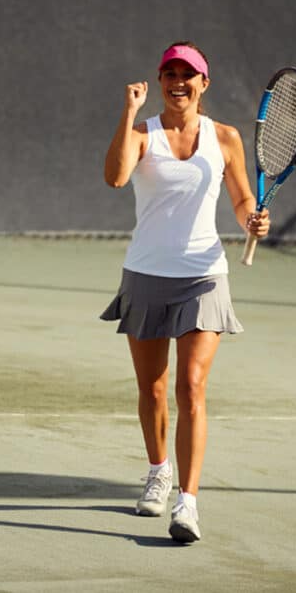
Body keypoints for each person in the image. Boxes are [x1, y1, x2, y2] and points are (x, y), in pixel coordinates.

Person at [100, 41, 269, 543]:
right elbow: (114, 178)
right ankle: (158, 472)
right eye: (170, 73)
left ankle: (187, 503)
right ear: (159, 81)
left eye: (188, 74)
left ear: (204, 83)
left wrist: (252, 220)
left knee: (190, 387)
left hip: (204, 275)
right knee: (152, 389)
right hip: (146, 275)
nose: (179, 82)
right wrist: (128, 113)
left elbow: (241, 199)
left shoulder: (226, 138)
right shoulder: (140, 133)